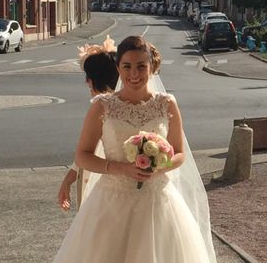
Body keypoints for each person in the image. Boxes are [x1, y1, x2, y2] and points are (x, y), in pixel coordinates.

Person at [53, 35, 216, 263]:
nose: (134, 74)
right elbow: (82, 156)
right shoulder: (103, 107)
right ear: (118, 68)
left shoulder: (166, 104)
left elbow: (180, 153)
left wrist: (161, 166)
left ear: (152, 66)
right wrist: (119, 168)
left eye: (141, 66)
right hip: (111, 202)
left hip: (158, 200)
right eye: (127, 66)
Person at [57, 35, 119, 212]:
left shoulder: (103, 107)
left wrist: (68, 180)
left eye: (88, 77)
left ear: (94, 79)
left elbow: (87, 152)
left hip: (105, 186)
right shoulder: (110, 104)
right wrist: (68, 179)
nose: (86, 82)